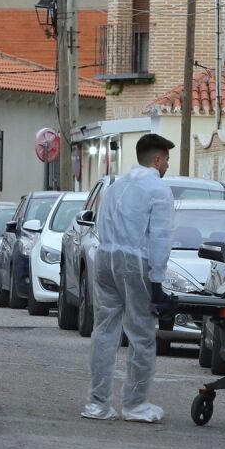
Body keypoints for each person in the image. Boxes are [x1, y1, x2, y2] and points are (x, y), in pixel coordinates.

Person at [82, 133, 175, 423]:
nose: (167, 166)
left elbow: (101, 224)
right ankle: (135, 405)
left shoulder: (115, 186)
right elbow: (160, 237)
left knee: (105, 331)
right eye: (167, 160)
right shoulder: (158, 190)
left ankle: (97, 404)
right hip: (136, 262)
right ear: (157, 160)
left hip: (106, 259)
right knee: (142, 335)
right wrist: (157, 281)